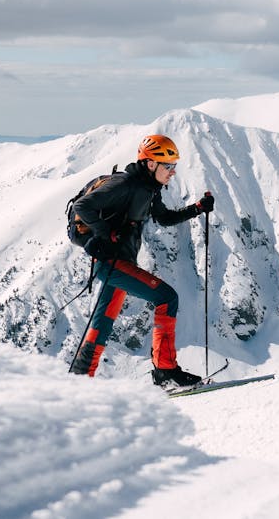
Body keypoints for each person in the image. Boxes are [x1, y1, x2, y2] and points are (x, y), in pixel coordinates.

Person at [68, 134, 215, 387]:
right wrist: (106, 234)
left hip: (120, 264)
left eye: (174, 166)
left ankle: (80, 382)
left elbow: (165, 218)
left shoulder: (149, 189)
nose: (172, 172)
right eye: (168, 166)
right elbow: (83, 205)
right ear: (150, 164)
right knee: (167, 298)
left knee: (102, 321)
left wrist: (198, 208)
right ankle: (165, 370)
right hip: (111, 264)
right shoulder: (125, 184)